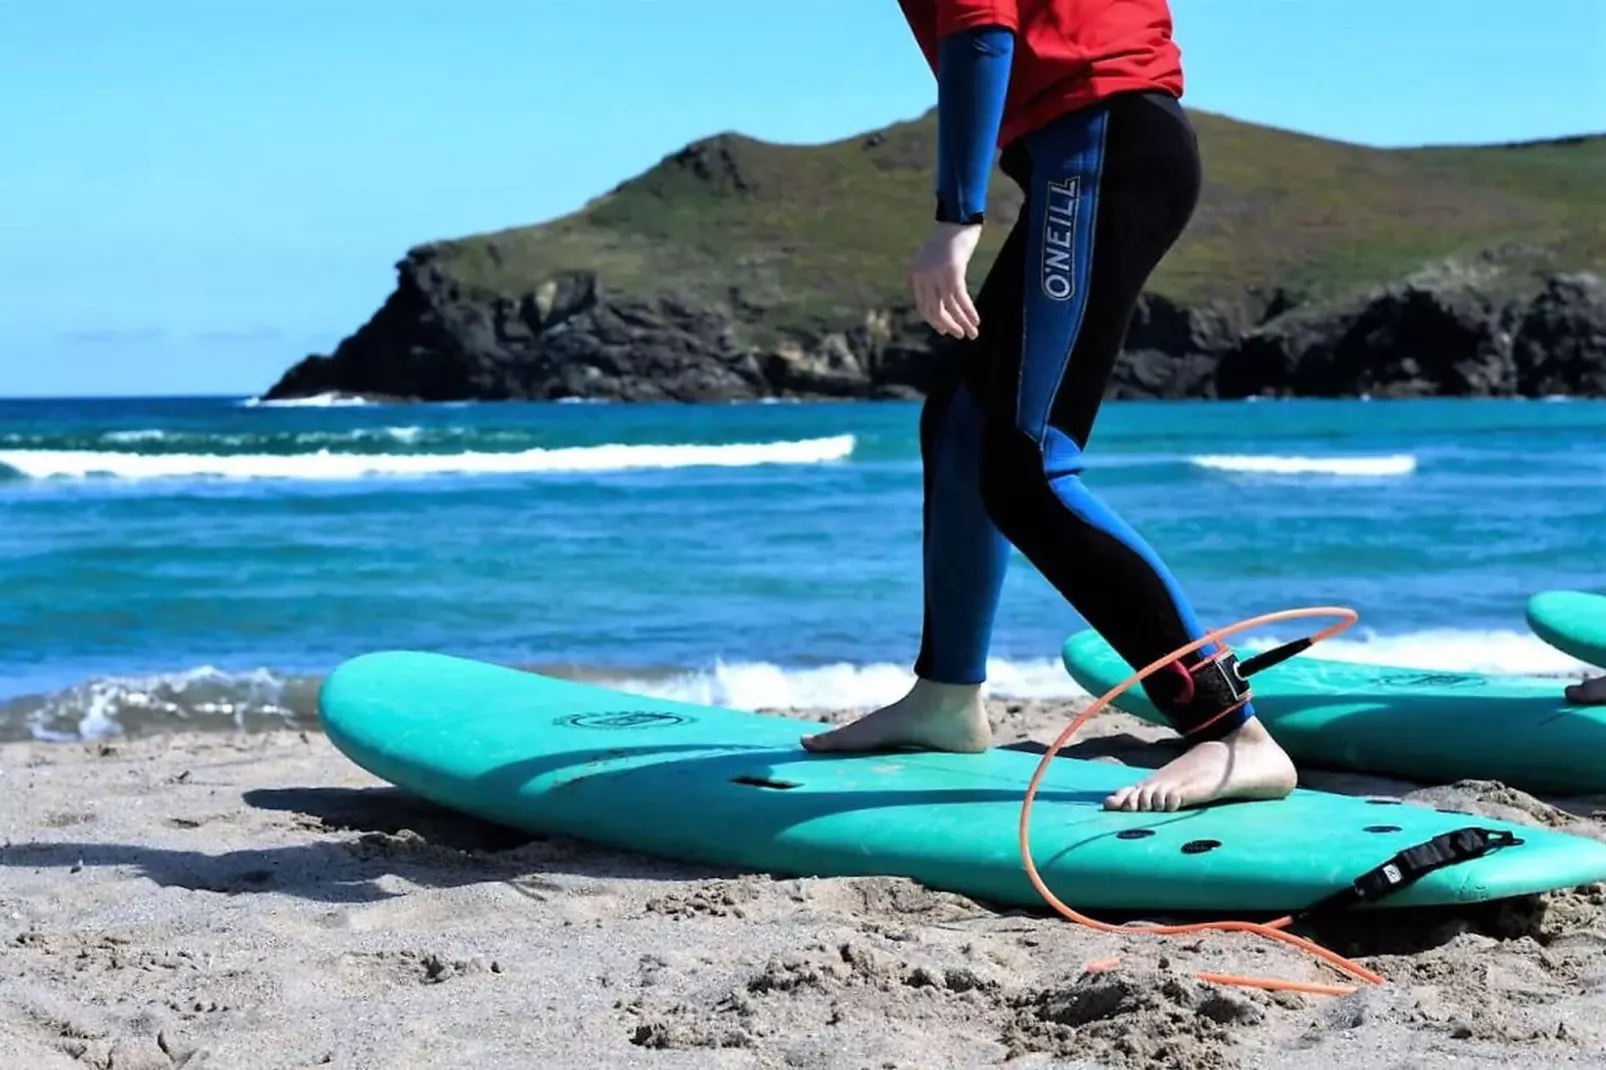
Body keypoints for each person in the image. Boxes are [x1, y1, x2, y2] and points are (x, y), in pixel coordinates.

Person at [802, 0, 1298, 813]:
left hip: (1100, 145)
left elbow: (982, 30)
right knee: (961, 426)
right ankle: (946, 700)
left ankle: (1231, 734)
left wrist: (956, 216)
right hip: (1084, 149)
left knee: (1030, 469)